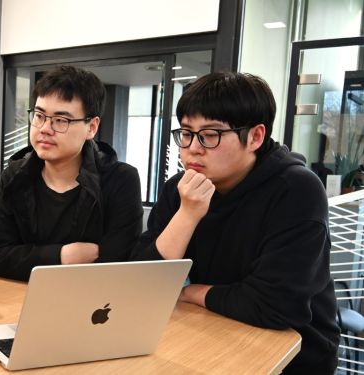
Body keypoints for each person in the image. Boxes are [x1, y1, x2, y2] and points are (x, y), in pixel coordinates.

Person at [130, 72, 340, 373]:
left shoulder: (296, 189)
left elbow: (275, 306)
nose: (192, 148)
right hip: (210, 333)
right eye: (186, 133)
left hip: (294, 353)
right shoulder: (181, 187)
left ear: (255, 136)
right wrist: (187, 215)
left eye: (211, 135)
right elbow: (142, 284)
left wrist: (190, 291)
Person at [0, 65, 143, 281]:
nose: (44, 128)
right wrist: (63, 255)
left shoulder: (120, 179)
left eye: (61, 120)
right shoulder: (15, 175)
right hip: (21, 299)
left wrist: (29, 258)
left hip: (92, 304)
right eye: (39, 116)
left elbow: (119, 262)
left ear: (92, 127)